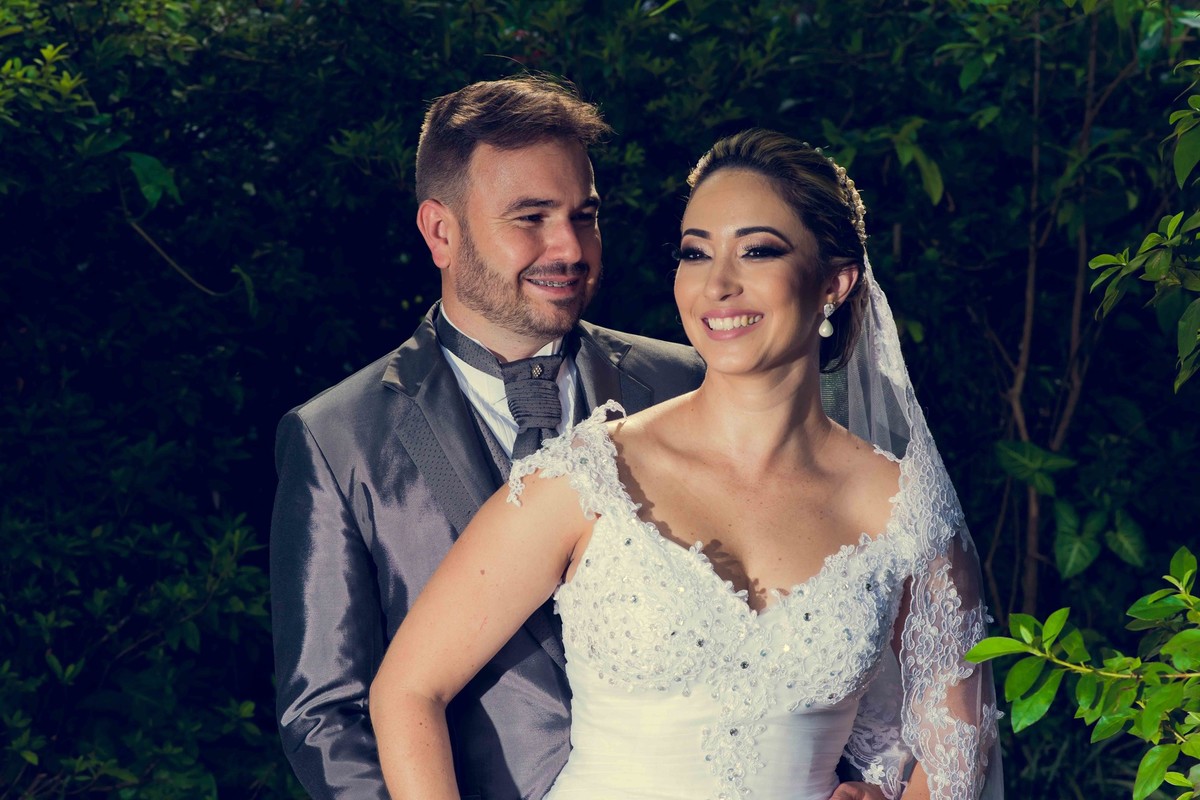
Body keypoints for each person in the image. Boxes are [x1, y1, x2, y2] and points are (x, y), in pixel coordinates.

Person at [370, 129, 1004, 800]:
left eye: (757, 250)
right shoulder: (590, 479)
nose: (718, 285)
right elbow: (408, 690)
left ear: (834, 283)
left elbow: (958, 751)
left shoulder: (907, 509)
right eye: (696, 253)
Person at [269, 76, 709, 800]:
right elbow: (325, 717)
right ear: (440, 233)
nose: (569, 246)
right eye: (530, 217)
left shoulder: (688, 384)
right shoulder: (336, 439)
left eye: (585, 215)